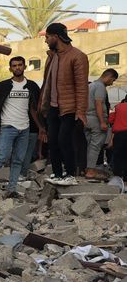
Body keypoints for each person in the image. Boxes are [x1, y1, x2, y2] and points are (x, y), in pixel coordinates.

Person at [0, 56, 42, 196]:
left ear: (24, 67)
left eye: (20, 65)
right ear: (10, 68)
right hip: (8, 127)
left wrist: (41, 128)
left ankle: (12, 190)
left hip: (24, 128)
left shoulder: (31, 86)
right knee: (2, 158)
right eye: (14, 65)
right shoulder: (2, 87)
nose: (17, 67)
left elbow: (34, 108)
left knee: (18, 160)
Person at [39, 22, 90, 185]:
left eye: (47, 37)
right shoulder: (52, 57)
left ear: (55, 37)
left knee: (64, 141)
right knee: (52, 142)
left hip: (69, 108)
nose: (45, 41)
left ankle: (70, 174)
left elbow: (82, 87)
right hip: (53, 108)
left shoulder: (77, 56)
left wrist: (80, 112)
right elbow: (47, 83)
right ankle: (57, 174)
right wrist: (44, 106)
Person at [85, 69, 119, 179]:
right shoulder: (100, 87)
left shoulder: (90, 86)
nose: (112, 83)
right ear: (109, 76)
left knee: (90, 145)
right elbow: (98, 103)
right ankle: (90, 171)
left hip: (87, 119)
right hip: (96, 119)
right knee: (95, 146)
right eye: (112, 80)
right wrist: (102, 122)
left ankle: (88, 168)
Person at [110, 95, 127, 183]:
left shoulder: (117, 107)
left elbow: (110, 119)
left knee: (118, 156)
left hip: (119, 134)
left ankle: (117, 176)